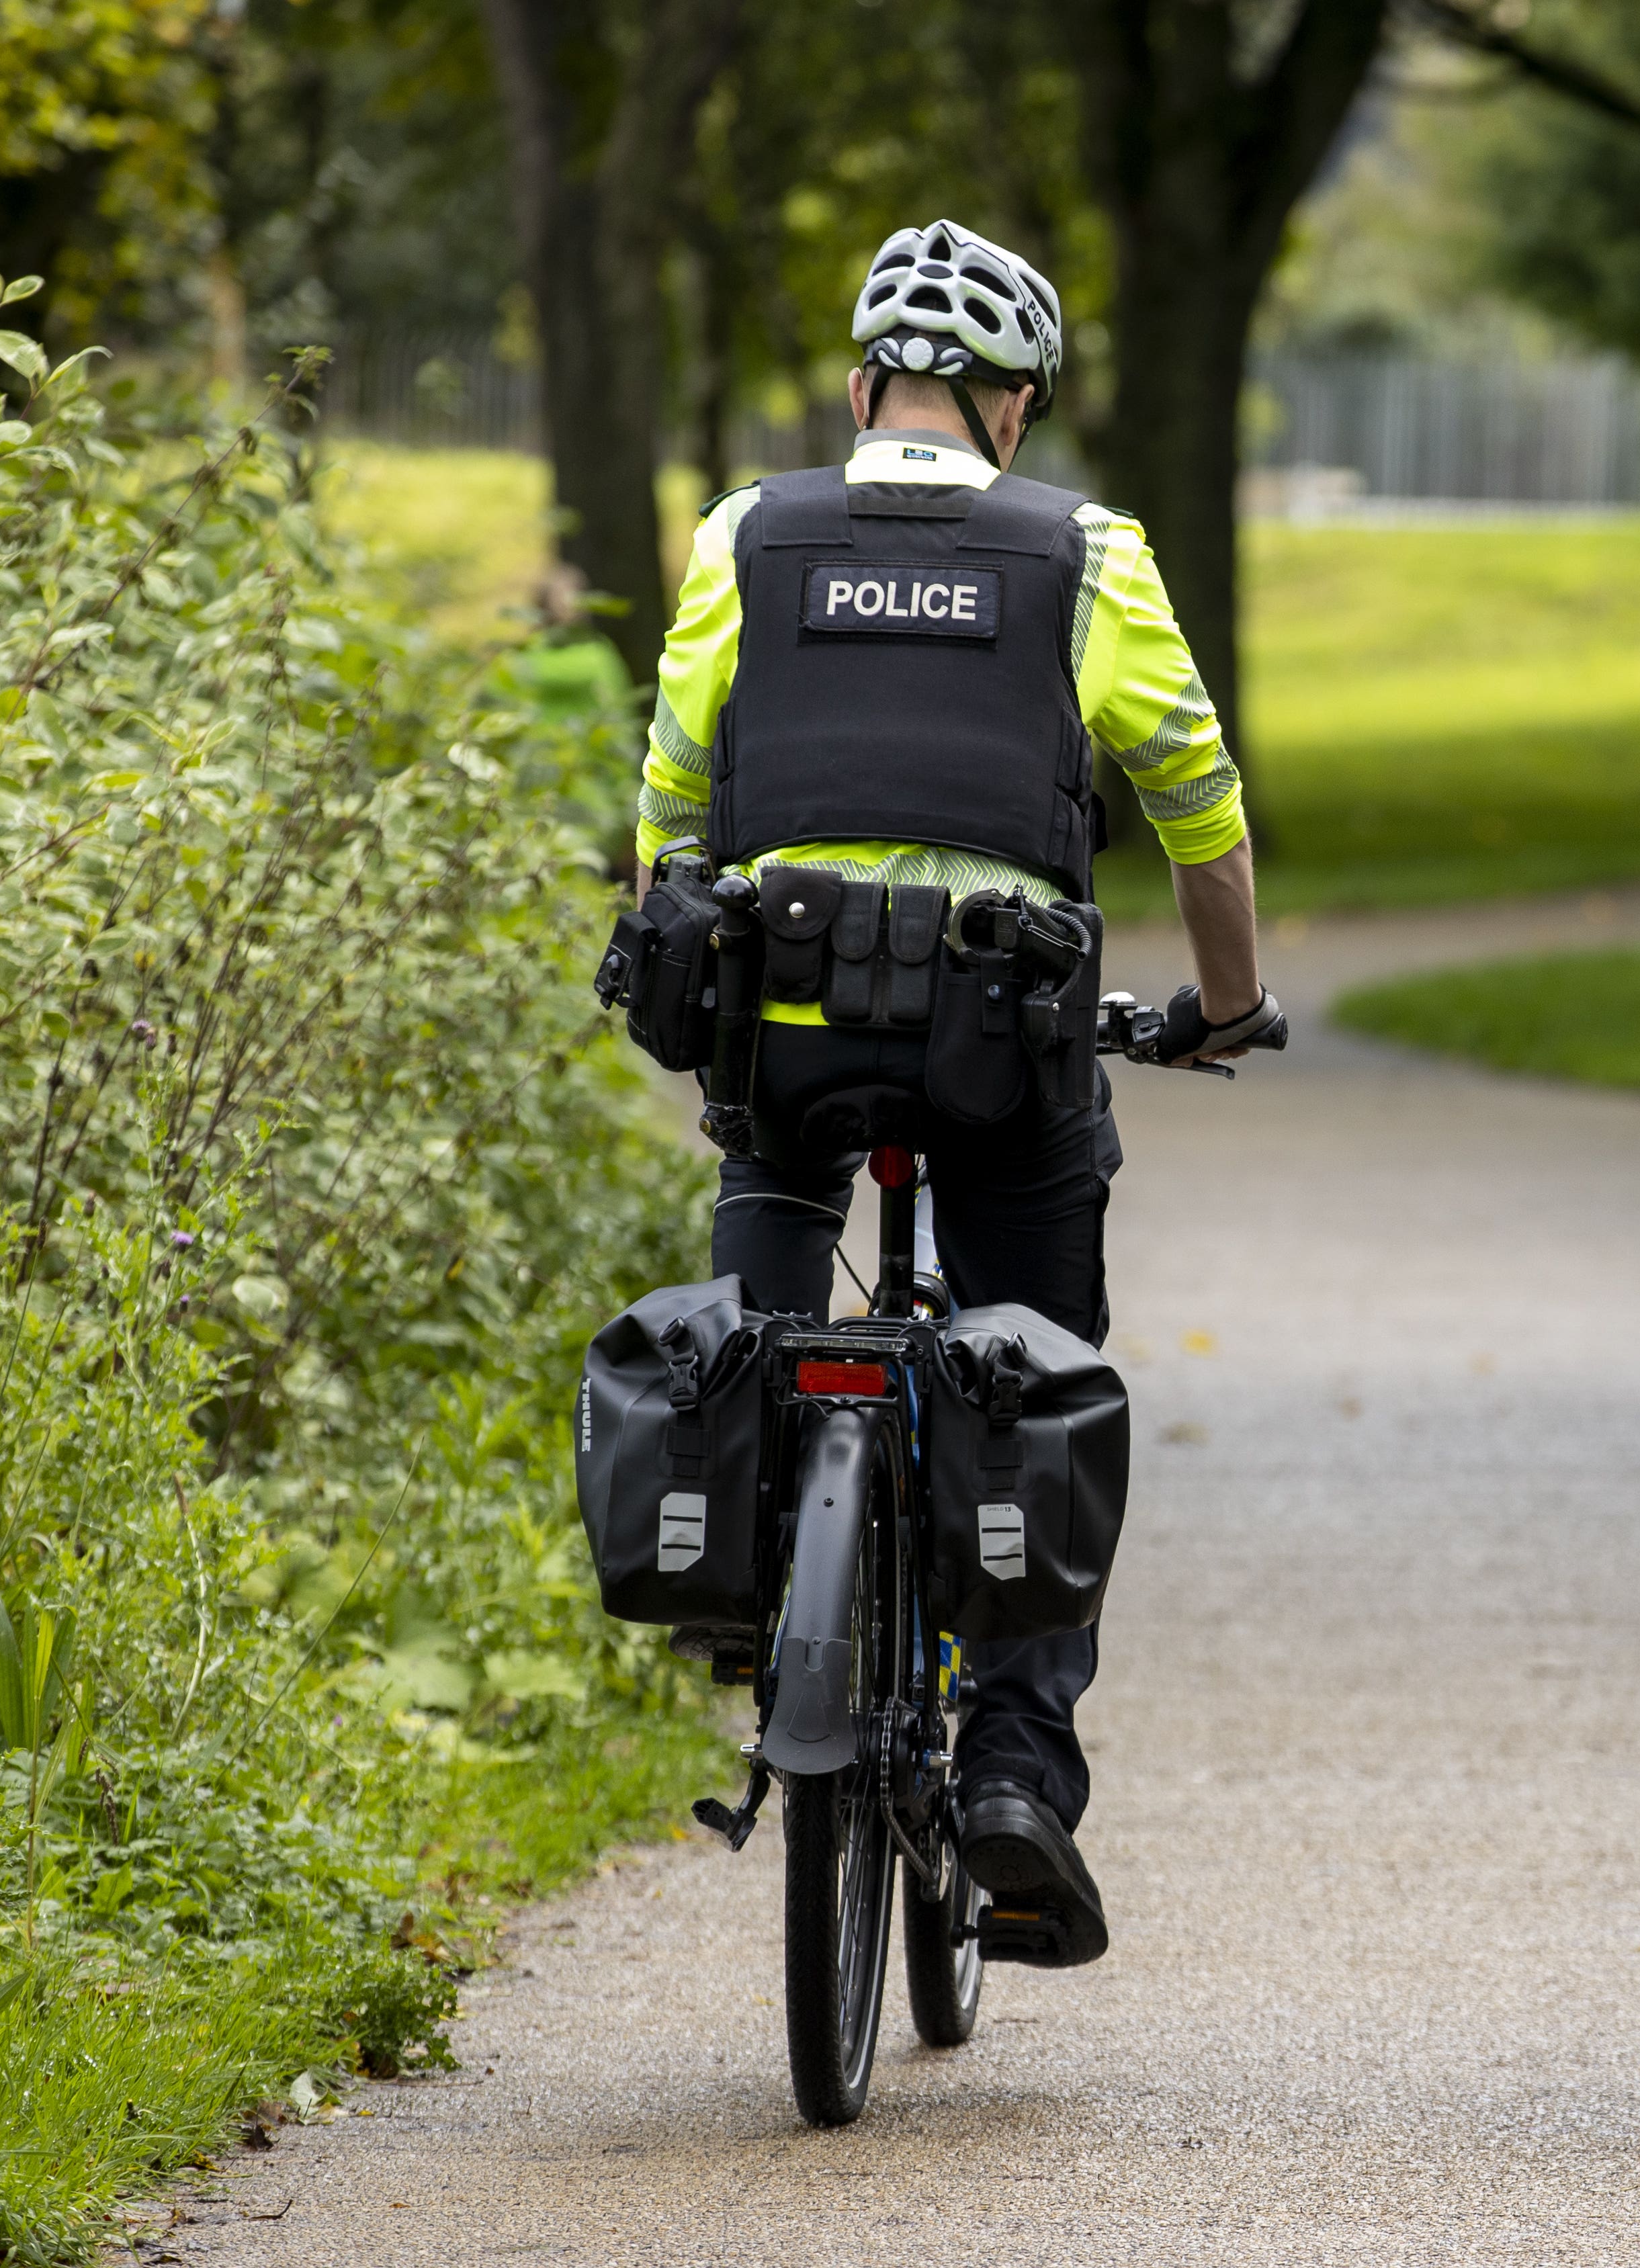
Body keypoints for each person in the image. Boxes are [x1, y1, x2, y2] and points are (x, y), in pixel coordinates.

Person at [639, 218, 1281, 1964]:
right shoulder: (1084, 548)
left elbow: (677, 792)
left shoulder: (749, 534)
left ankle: (761, 1579)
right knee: (1039, 1359)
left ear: (861, 391)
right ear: (1011, 410)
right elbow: (1196, 807)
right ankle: (1012, 1769)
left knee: (761, 1283)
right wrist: (1227, 1009)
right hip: (1006, 1041)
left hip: (776, 1015)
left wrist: (680, 956)